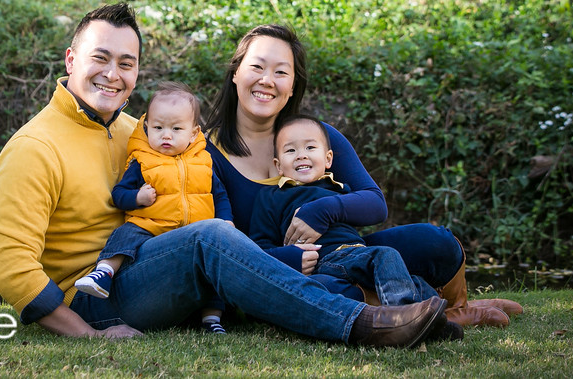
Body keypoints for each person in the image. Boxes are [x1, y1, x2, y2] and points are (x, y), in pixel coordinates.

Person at [0, 3, 451, 346]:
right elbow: (12, 270)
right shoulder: (35, 148)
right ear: (71, 60)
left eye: (126, 64)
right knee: (212, 235)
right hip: (96, 295)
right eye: (100, 58)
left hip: (150, 267)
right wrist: (87, 333)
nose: (113, 74)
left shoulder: (139, 132)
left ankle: (433, 312)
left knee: (417, 243)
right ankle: (359, 324)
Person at [205, 24, 523, 328]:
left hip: (347, 252)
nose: (267, 80)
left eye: (281, 72)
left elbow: (374, 204)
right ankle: (416, 313)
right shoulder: (204, 153)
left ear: (292, 87)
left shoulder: (315, 137)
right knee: (324, 289)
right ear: (236, 73)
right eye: (257, 67)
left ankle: (454, 307)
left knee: (436, 242)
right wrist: (288, 258)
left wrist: (321, 210)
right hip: (286, 273)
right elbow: (213, 245)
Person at [251, 114, 459, 341]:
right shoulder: (272, 196)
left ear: (328, 158)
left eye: (310, 147)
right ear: (278, 165)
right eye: (290, 151)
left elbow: (376, 207)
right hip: (326, 259)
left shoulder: (340, 188)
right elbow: (257, 249)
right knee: (386, 255)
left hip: (357, 254)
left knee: (415, 282)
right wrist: (291, 256)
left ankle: (437, 321)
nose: (301, 155)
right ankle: (400, 320)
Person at [74, 81, 232, 334]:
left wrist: (226, 221)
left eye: (176, 129)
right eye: (158, 128)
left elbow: (220, 195)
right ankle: (103, 272)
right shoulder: (142, 161)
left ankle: (211, 319)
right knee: (126, 234)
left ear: (193, 133)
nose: (166, 135)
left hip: (193, 230)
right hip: (151, 228)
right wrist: (138, 197)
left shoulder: (204, 162)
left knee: (210, 271)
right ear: (147, 127)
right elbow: (119, 194)